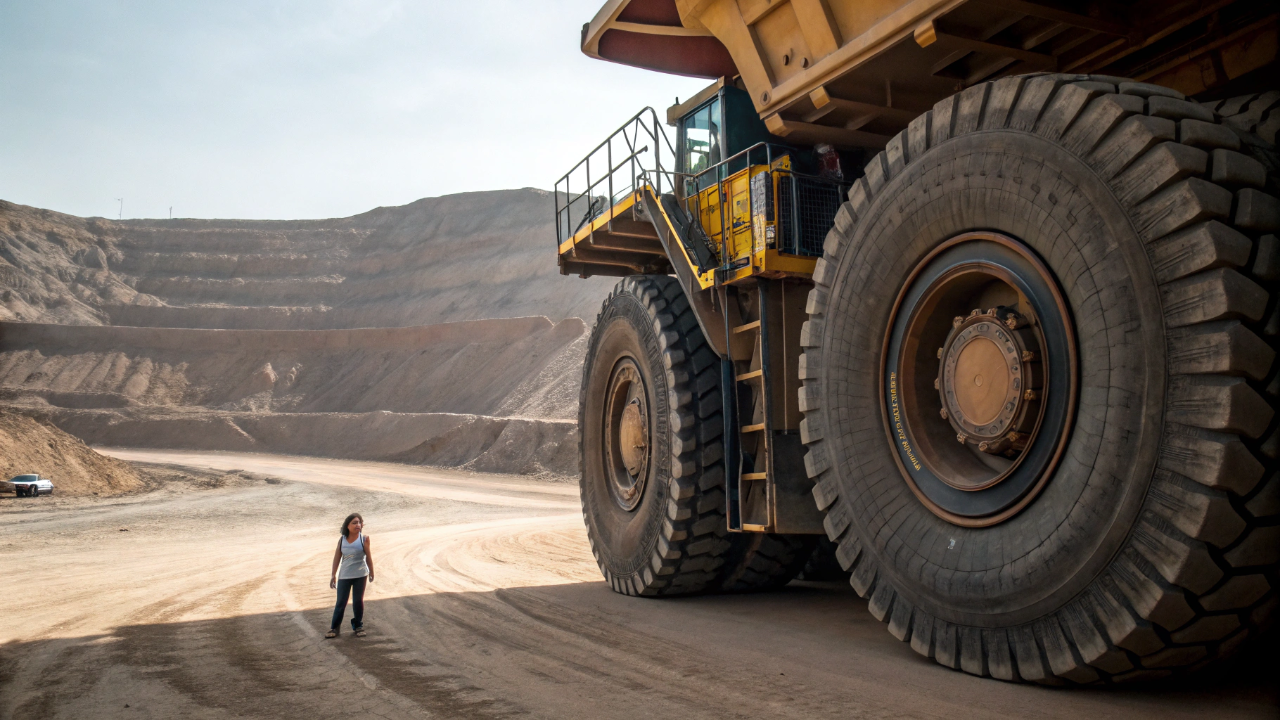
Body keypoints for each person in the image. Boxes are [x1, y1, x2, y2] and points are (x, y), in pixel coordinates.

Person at [327, 512, 374, 638]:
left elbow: (368, 557)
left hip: (360, 574)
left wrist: (371, 572)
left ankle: (358, 626)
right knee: (341, 602)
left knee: (358, 601)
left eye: (359, 522)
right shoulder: (342, 540)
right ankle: (334, 628)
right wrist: (333, 574)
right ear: (347, 525)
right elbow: (337, 557)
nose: (357, 525)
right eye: (354, 523)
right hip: (344, 575)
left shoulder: (364, 539)